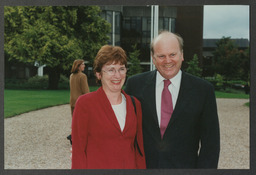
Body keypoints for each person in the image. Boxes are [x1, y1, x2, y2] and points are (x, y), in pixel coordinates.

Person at [125, 31, 220, 169]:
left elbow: (211, 145)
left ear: (182, 55)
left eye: (172, 55)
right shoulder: (135, 85)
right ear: (153, 58)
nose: (167, 60)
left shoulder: (203, 90)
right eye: (161, 56)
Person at [71, 45, 146, 169]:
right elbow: (78, 152)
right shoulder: (85, 104)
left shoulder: (135, 104)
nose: (117, 75)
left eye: (121, 69)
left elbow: (139, 151)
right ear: (99, 74)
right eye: (111, 70)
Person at [67, 59, 90, 144]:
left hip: (72, 101)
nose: (84, 66)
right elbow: (86, 91)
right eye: (83, 64)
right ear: (79, 66)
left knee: (75, 120)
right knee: (83, 121)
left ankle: (72, 135)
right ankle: (78, 137)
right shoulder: (82, 76)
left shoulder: (71, 76)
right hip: (80, 102)